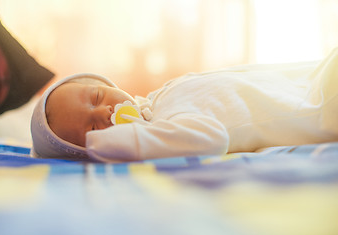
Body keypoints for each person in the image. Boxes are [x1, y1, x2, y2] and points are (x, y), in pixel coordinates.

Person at [31, 48, 338, 163]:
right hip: (319, 105)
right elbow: (212, 138)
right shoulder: (166, 130)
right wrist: (130, 140)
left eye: (97, 98)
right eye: (94, 128)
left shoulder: (159, 99)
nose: (102, 112)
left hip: (307, 75)